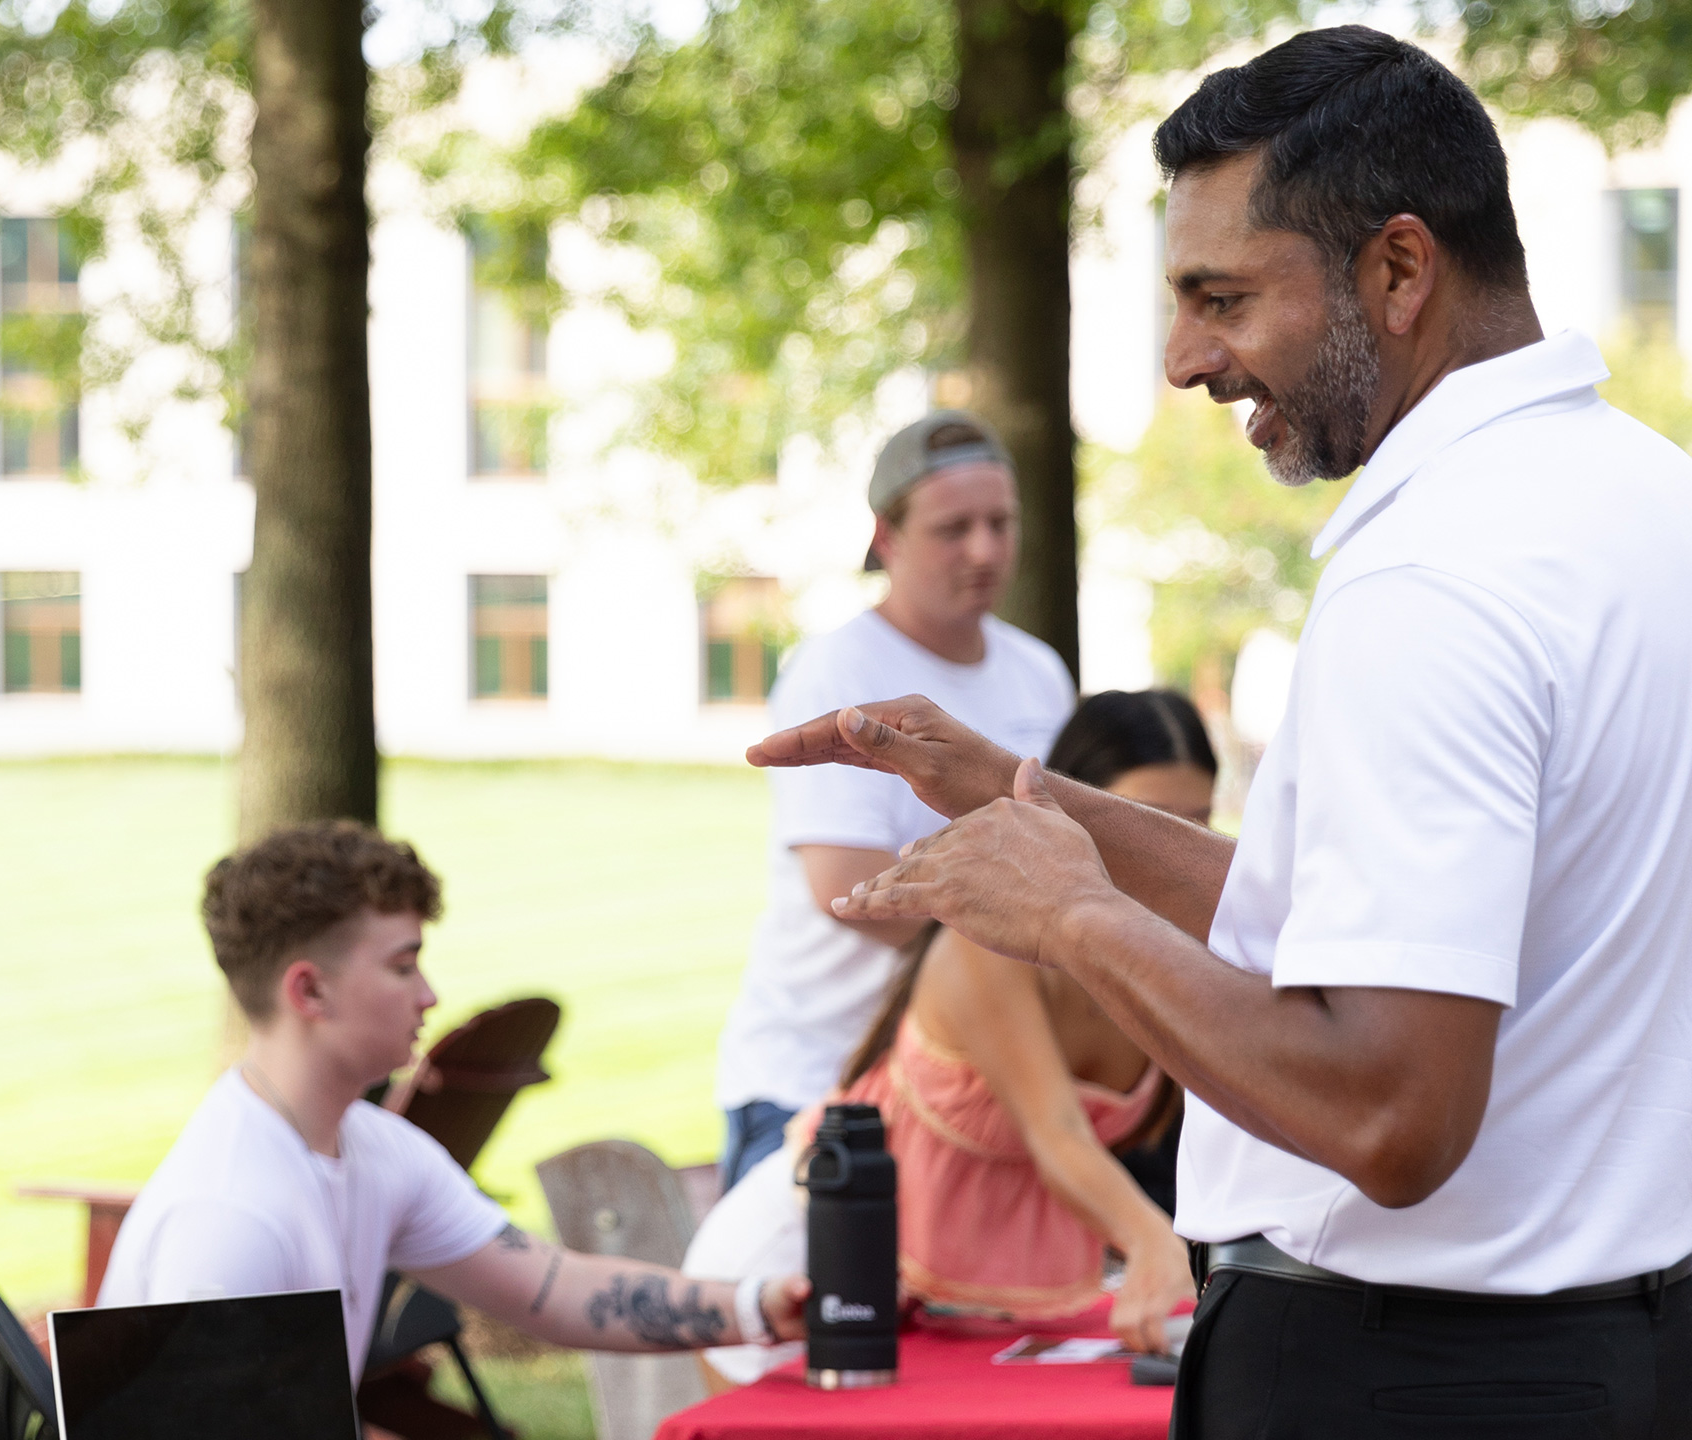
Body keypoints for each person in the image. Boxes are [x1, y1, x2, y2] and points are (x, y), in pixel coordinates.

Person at [751, 26, 1692, 1431]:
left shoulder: (1429, 574)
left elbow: (1392, 1115)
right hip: (1618, 1353)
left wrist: (1074, 919)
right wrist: (1036, 803)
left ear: (1397, 268)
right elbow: (1384, 925)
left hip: (1405, 1376)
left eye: (1221, 297)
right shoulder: (1644, 497)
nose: (1187, 358)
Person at [99, 820, 809, 1399]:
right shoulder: (230, 1222)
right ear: (309, 992)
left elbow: (551, 1287)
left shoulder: (370, 1145)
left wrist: (760, 1304)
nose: (429, 995)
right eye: (403, 966)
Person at [685, 691, 1214, 1382]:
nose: (1164, 855)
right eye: (1146, 824)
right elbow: (1057, 1135)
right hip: (807, 1262)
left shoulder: (1180, 943)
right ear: (1066, 816)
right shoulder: (993, 940)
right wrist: (1155, 1243)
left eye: (1196, 826)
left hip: (960, 1303)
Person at [714, 409, 1074, 1187]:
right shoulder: (838, 673)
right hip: (819, 1084)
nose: (984, 550)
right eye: (954, 528)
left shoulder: (1039, 673)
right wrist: (1053, 929)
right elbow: (851, 889)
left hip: (970, 1084)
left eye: (1000, 523)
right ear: (887, 537)